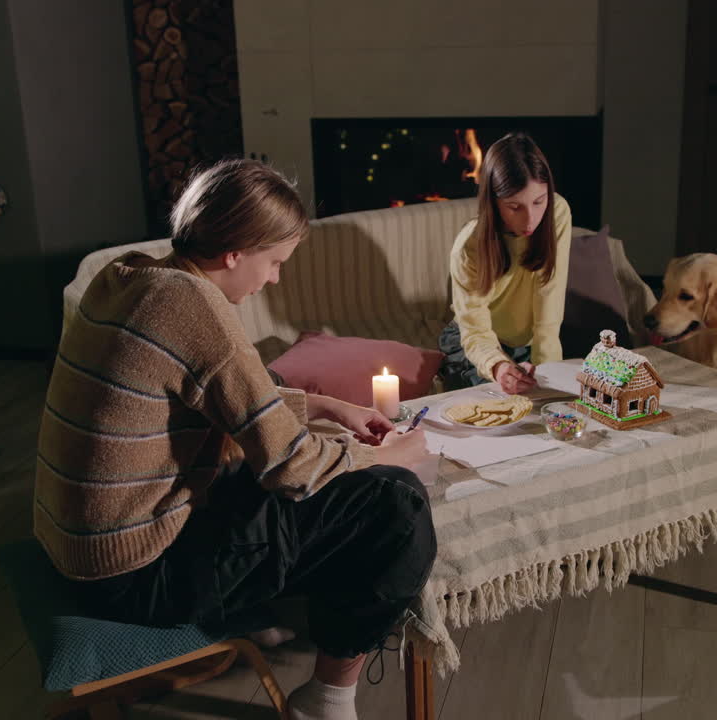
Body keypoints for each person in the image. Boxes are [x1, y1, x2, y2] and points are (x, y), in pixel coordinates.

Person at [35, 159, 435, 720]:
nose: (274, 278)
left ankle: (267, 606)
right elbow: (292, 469)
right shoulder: (196, 309)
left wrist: (324, 404)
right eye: (275, 262)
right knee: (397, 503)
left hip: (78, 554)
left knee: (263, 458)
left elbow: (217, 399)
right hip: (137, 581)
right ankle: (327, 700)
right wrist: (384, 456)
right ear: (235, 252)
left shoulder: (127, 275)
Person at [439, 132, 572, 394]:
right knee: (499, 406)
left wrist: (549, 374)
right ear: (493, 202)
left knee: (550, 401)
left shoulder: (557, 213)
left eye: (538, 201)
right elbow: (475, 332)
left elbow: (550, 299)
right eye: (514, 207)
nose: (530, 221)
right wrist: (498, 366)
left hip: (524, 343)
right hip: (474, 345)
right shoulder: (469, 247)